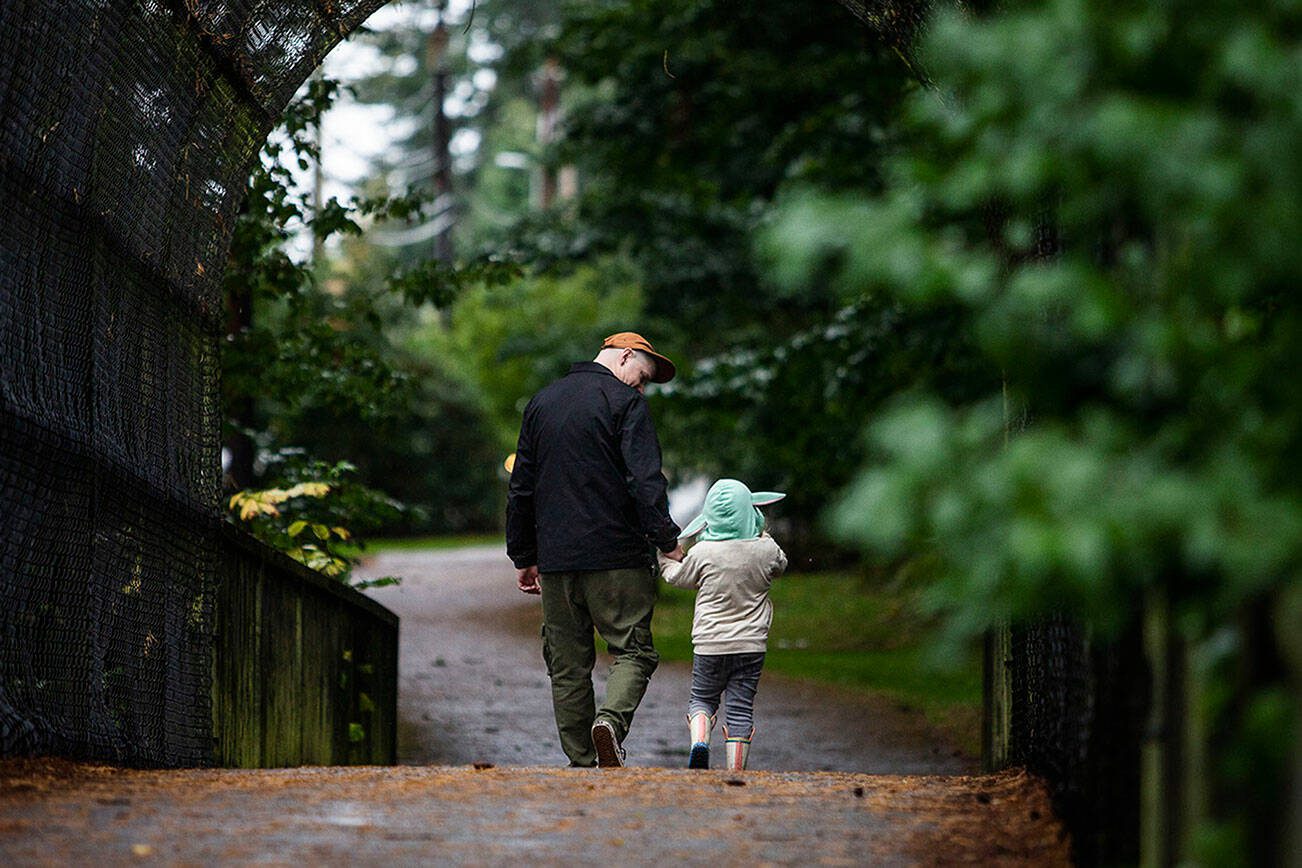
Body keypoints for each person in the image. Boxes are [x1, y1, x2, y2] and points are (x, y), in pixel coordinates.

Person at [506, 332, 685, 768]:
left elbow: (522, 487)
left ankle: (583, 761)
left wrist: (523, 554)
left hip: (557, 560)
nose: (641, 388)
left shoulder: (542, 403)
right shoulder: (625, 404)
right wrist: (667, 539)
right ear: (624, 356)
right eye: (642, 377)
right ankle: (609, 723)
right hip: (618, 557)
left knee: (566, 665)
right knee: (634, 651)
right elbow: (645, 481)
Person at [657, 478, 787, 770]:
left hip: (710, 645)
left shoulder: (703, 554)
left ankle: (700, 742)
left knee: (702, 698)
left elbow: (677, 577)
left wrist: (665, 558)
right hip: (751, 645)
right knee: (740, 708)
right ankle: (735, 770)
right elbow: (781, 564)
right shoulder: (764, 550)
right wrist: (762, 536)